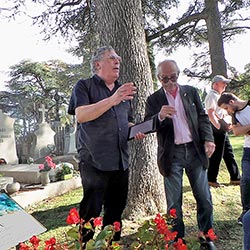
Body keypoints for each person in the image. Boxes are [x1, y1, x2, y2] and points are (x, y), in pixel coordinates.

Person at [68, 46, 144, 245]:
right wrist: (113, 99)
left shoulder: (123, 91)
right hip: (94, 161)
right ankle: (85, 245)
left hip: (120, 161)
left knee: (115, 212)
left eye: (118, 58)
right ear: (97, 65)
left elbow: (124, 122)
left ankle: (111, 245)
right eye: (112, 58)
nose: (117, 61)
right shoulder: (84, 86)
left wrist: (135, 129)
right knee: (90, 212)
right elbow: (82, 115)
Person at [144, 59, 216, 247]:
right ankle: (178, 241)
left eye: (173, 77)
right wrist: (159, 116)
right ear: (158, 78)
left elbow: (202, 117)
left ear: (178, 74)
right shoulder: (153, 100)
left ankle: (206, 237)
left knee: (204, 199)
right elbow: (148, 125)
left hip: (194, 151)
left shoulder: (190, 92)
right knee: (174, 204)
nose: (169, 82)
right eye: (164, 79)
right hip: (171, 155)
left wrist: (209, 139)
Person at [217, 92, 250, 225]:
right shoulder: (235, 115)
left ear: (231, 102)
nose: (227, 111)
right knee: (246, 180)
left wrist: (245, 128)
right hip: (248, 150)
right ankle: (246, 211)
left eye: (226, 108)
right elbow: (236, 132)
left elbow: (241, 130)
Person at [204, 75, 241, 188]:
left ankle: (235, 177)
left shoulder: (217, 96)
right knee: (217, 154)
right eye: (223, 83)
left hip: (221, 127)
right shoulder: (212, 95)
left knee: (228, 152)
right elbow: (211, 113)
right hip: (216, 128)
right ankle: (211, 179)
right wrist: (219, 126)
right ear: (215, 84)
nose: (225, 85)